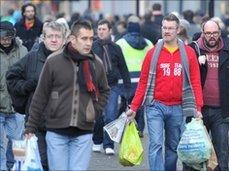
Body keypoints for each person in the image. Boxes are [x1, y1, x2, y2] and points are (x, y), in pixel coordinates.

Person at [23, 20, 110, 170]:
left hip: (83, 133)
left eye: (91, 38)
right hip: (56, 132)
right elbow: (40, 96)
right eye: (84, 38)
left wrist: (93, 111)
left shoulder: (96, 63)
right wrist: (30, 127)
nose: (88, 43)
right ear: (72, 39)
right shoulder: (54, 61)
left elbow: (105, 90)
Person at [125, 14, 203, 171]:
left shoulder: (188, 53)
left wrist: (198, 108)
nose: (166, 31)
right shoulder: (152, 53)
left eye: (170, 28)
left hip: (178, 107)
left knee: (173, 147)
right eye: (164, 28)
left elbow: (195, 81)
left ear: (178, 29)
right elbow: (143, 82)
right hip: (155, 106)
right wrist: (134, 107)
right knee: (155, 144)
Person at [186, 19, 229, 171]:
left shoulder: (227, 53)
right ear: (203, 34)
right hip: (198, 110)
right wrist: (195, 61)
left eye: (214, 33)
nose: (211, 36)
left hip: (221, 110)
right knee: (194, 152)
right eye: (208, 33)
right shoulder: (193, 51)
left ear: (219, 33)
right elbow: (184, 76)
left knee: (221, 151)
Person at [6, 21, 67, 170]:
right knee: (41, 163)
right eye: (50, 36)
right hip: (36, 123)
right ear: (43, 38)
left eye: (57, 36)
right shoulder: (32, 57)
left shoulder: (71, 60)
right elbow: (11, 77)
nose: (54, 40)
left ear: (64, 40)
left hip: (63, 124)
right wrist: (27, 86)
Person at [91, 19, 131, 154]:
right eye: (99, 29)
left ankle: (109, 145)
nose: (101, 32)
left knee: (110, 116)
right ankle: (97, 140)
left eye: (104, 29)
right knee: (97, 117)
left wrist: (128, 88)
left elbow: (123, 68)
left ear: (109, 31)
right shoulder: (92, 47)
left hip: (112, 87)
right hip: (96, 87)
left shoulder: (116, 48)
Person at [116, 15, 153, 137]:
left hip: (125, 80)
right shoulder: (148, 43)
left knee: (124, 104)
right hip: (143, 79)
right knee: (139, 106)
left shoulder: (120, 43)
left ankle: (117, 128)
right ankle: (139, 129)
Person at [0, 21, 27, 171]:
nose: (5, 41)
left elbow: (28, 74)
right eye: (2, 38)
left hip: (17, 105)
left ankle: (17, 167)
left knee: (18, 142)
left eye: (8, 38)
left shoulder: (22, 51)